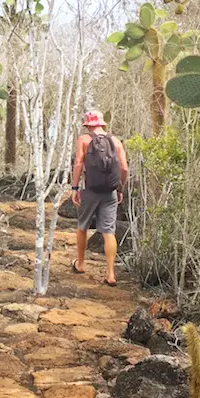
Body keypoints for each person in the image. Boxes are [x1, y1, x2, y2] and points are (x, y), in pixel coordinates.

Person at [70, 110, 128, 286]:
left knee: (83, 226)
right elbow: (124, 168)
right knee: (109, 231)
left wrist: (74, 188)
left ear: (88, 125)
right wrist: (120, 188)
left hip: (90, 190)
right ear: (102, 124)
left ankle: (80, 264)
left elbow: (79, 162)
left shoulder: (84, 140)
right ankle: (110, 274)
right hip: (110, 191)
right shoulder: (116, 141)